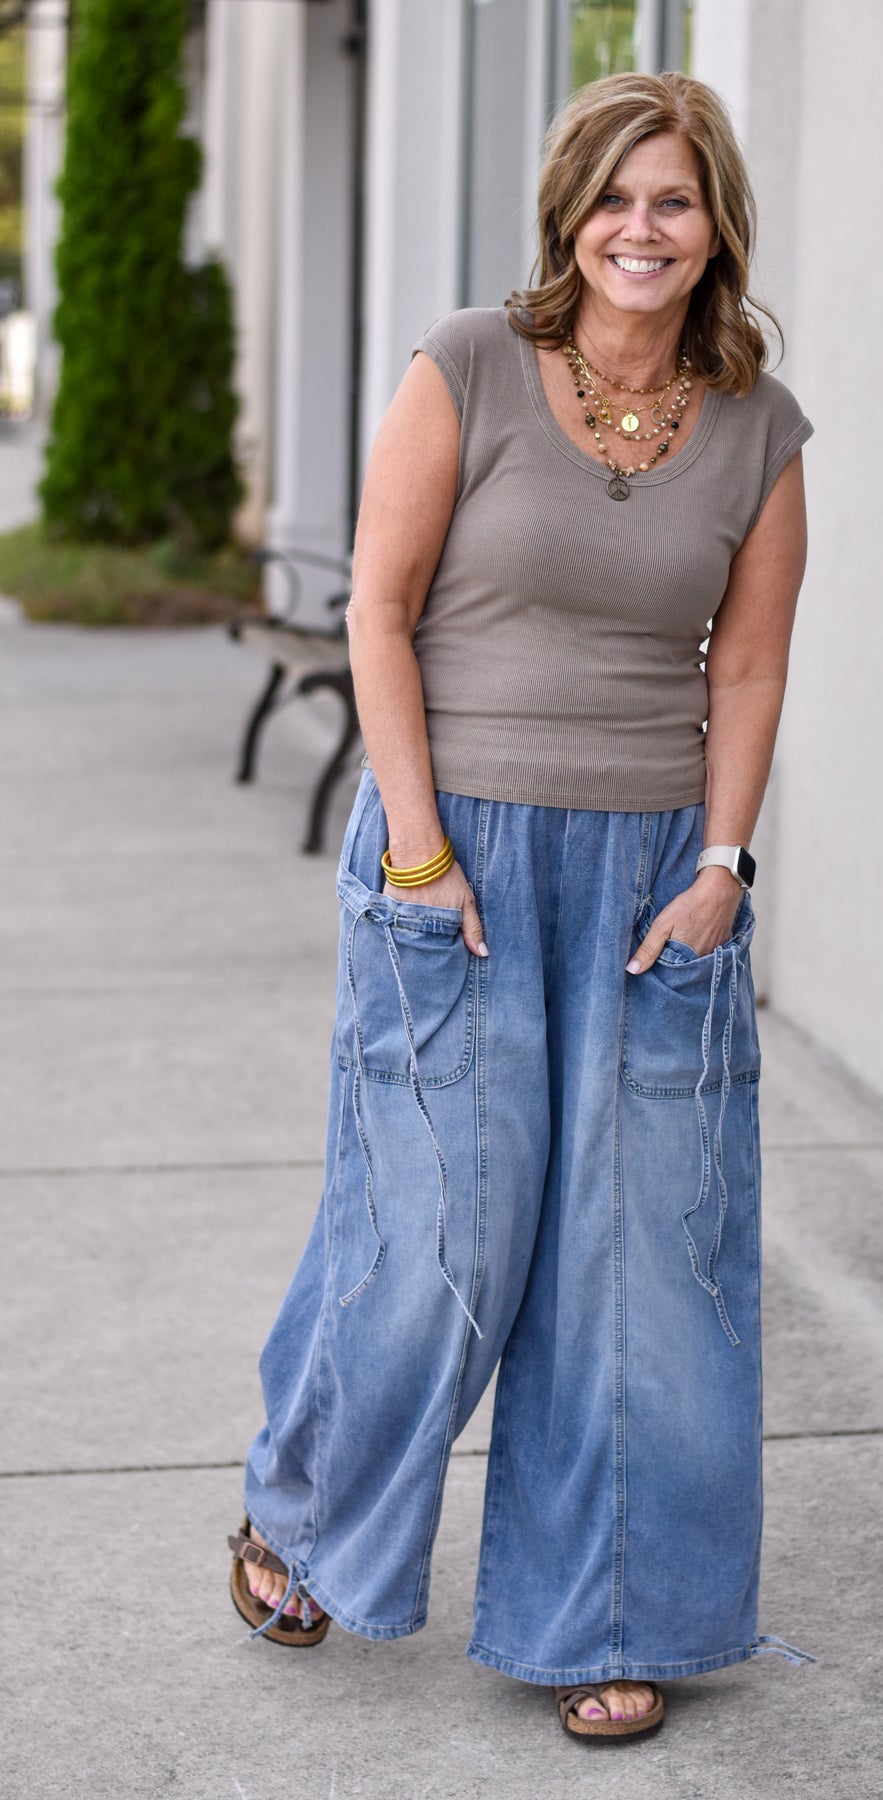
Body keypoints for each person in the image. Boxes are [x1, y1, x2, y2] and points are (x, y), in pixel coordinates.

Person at [228, 69, 813, 1744]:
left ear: (715, 229)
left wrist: (723, 870)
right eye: (616, 196)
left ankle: (609, 1612)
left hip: (652, 884)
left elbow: (749, 663)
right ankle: (302, 1511)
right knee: (437, 1234)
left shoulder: (760, 427)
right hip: (456, 857)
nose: (644, 226)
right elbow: (381, 606)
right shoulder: (470, 365)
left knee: (642, 1266)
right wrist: (417, 849)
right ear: (570, 215)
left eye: (674, 199)